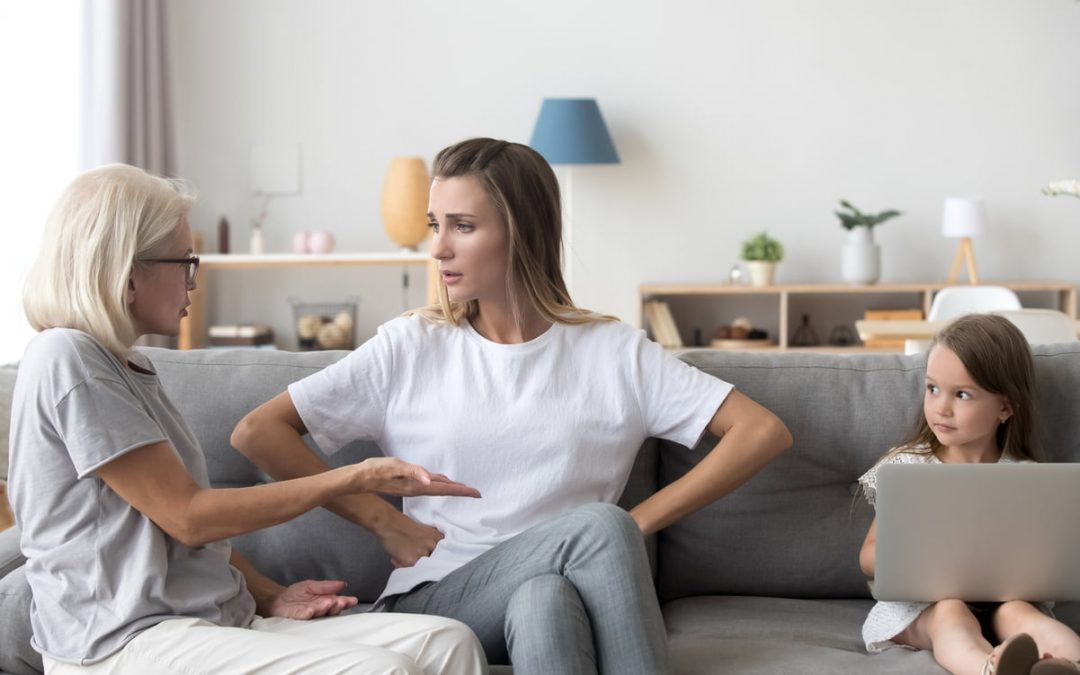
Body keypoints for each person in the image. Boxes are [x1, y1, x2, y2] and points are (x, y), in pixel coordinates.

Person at [231, 137, 793, 674]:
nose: (437, 247)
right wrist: (379, 520)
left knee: (543, 598)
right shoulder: (412, 347)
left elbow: (761, 431)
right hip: (436, 605)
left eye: (463, 226)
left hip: (561, 595)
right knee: (596, 528)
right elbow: (259, 432)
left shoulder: (614, 352)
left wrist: (630, 526)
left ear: (521, 233)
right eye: (435, 224)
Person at [9, 164, 489, 675]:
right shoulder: (65, 358)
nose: (194, 279)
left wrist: (269, 595)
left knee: (447, 643)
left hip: (210, 625)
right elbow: (189, 516)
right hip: (122, 643)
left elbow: (175, 531)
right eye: (184, 262)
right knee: (382, 671)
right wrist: (353, 476)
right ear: (128, 274)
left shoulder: (134, 370)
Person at [857, 314, 1080, 675]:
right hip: (925, 606)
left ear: (1005, 407)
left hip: (1006, 600)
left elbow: (1048, 561)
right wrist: (918, 561)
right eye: (932, 389)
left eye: (962, 394)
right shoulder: (908, 468)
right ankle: (987, 670)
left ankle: (1068, 665)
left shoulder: (1026, 478)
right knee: (950, 612)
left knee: (1020, 614)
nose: (941, 407)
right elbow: (868, 557)